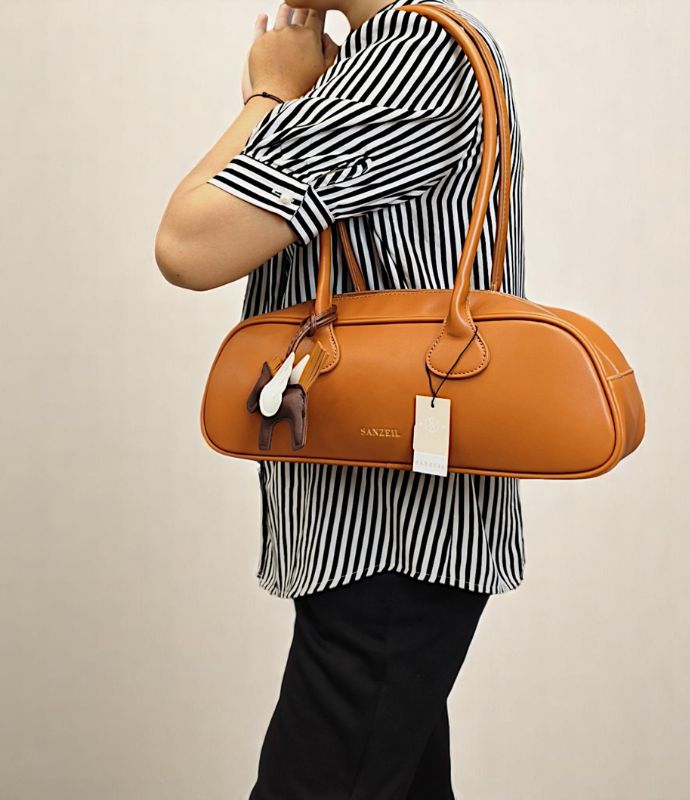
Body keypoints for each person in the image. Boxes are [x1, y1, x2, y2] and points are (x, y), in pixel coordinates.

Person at [155, 0, 526, 796]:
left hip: (391, 539)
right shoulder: (390, 59)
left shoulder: (413, 58)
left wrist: (270, 96)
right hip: (389, 532)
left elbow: (186, 245)